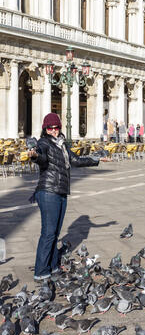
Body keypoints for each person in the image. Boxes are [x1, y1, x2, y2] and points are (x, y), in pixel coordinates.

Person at [27, 113, 99, 282]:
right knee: (48, 233)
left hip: (60, 192)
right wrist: (35, 156)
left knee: (55, 233)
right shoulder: (43, 143)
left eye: (56, 127)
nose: (54, 130)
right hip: (48, 192)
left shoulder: (62, 145)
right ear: (45, 129)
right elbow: (42, 158)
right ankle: (40, 271)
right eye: (50, 128)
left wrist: (96, 160)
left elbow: (76, 160)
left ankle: (52, 267)